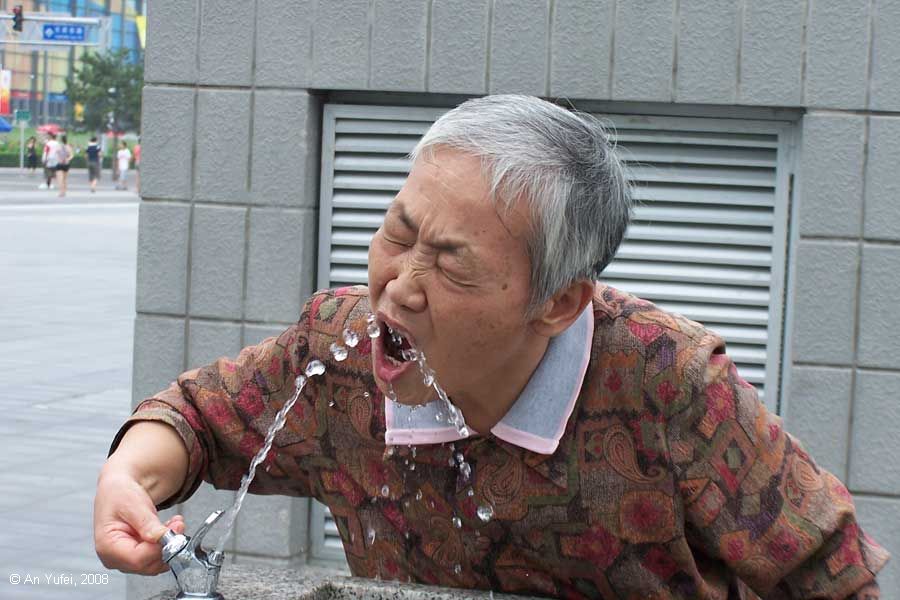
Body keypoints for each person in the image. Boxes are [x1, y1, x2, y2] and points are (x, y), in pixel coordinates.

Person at [94, 95, 888, 598]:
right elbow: (197, 418)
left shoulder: (668, 381)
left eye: (451, 263)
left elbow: (831, 572)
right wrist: (129, 476)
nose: (399, 287)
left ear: (558, 302)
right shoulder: (339, 350)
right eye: (397, 234)